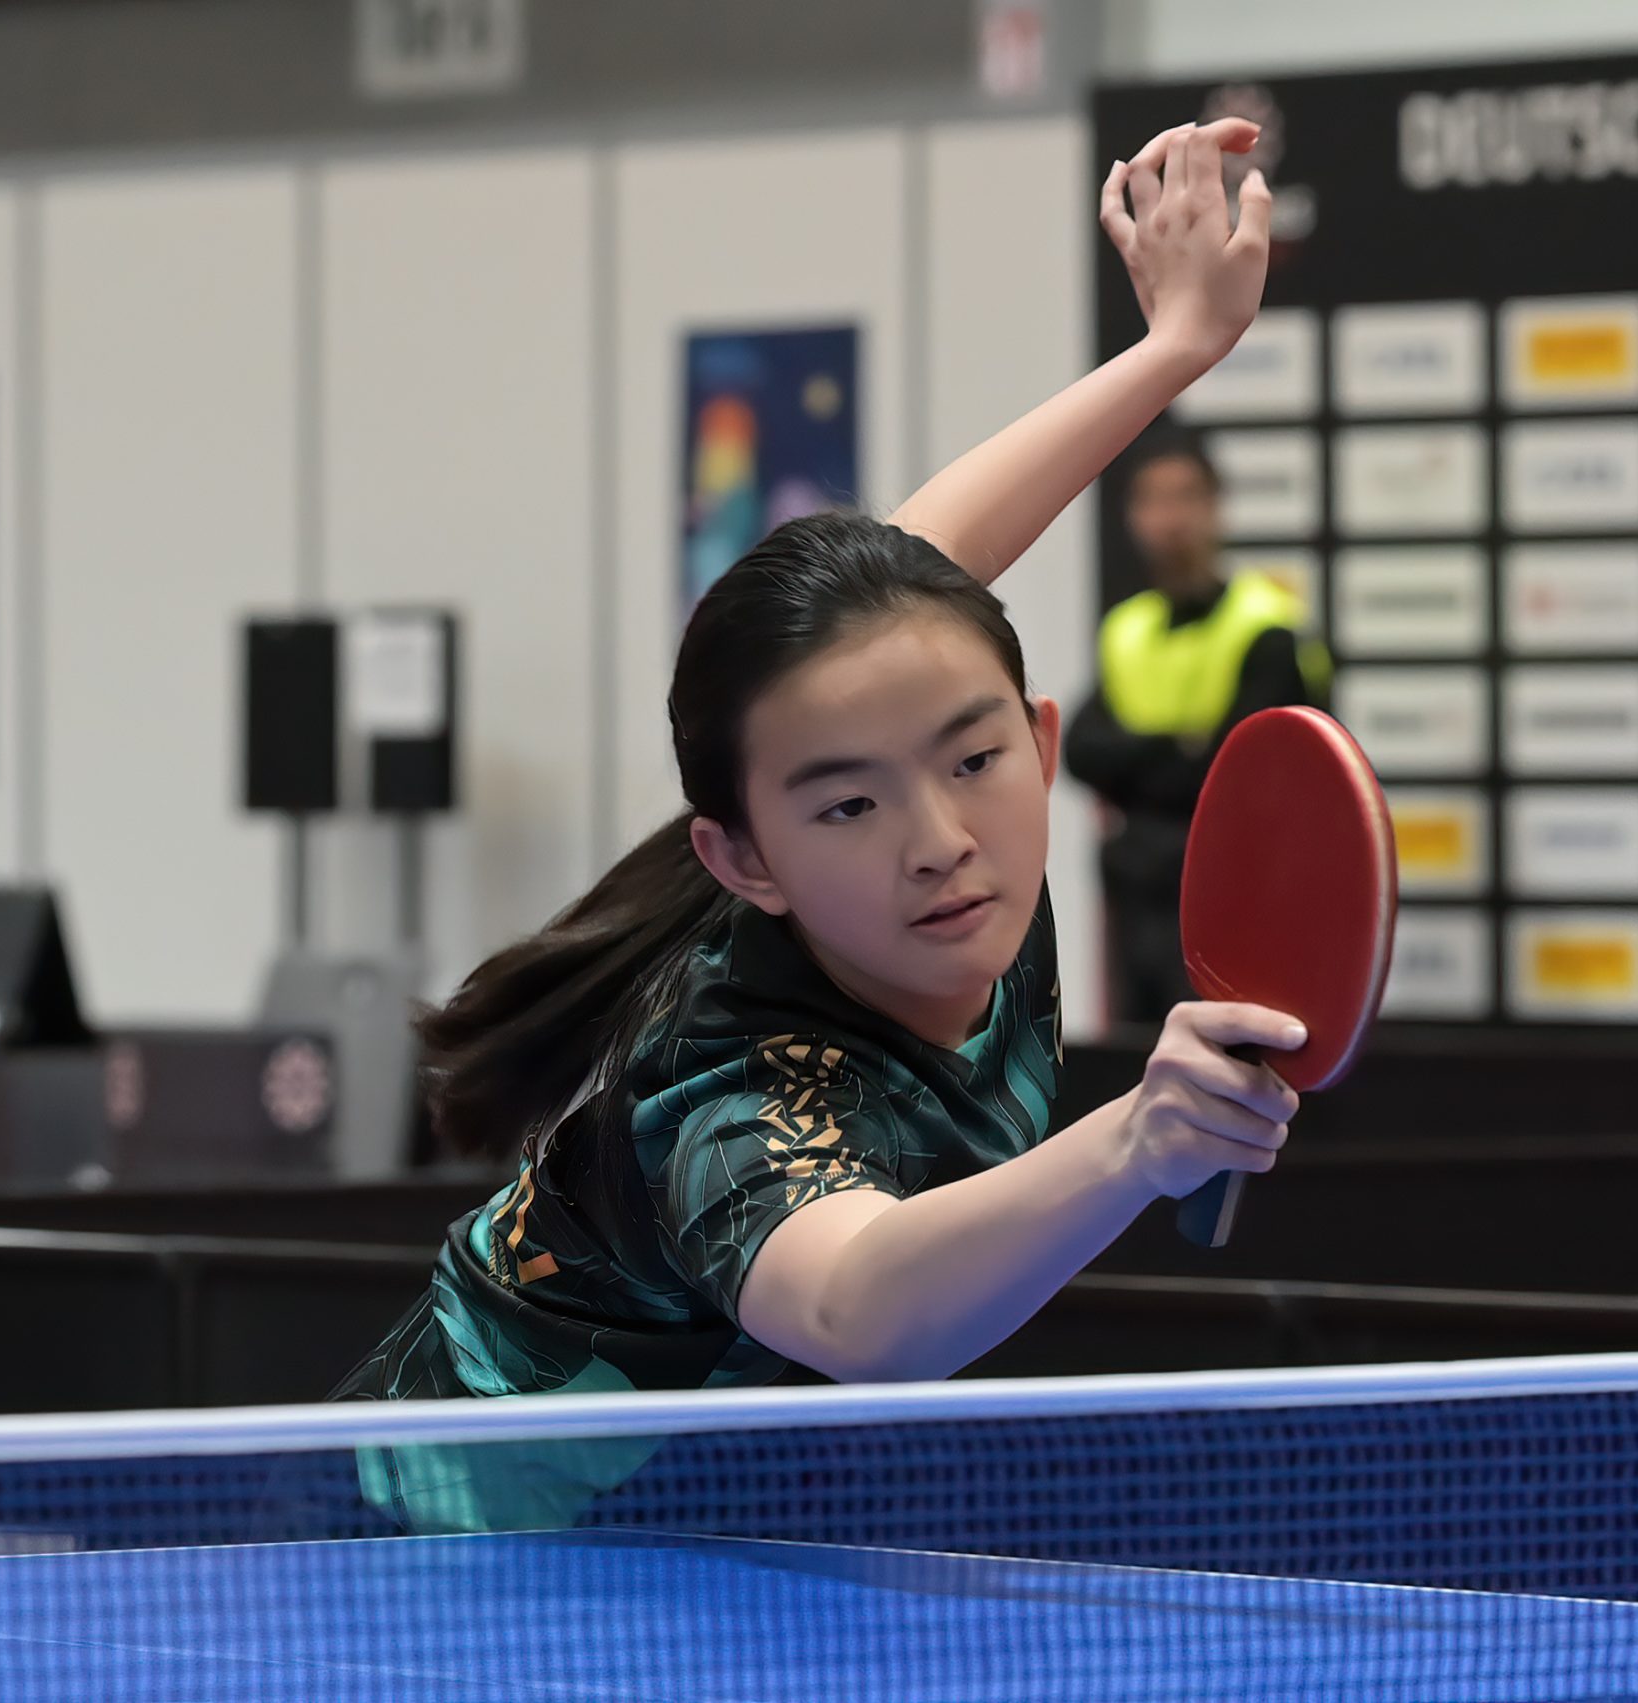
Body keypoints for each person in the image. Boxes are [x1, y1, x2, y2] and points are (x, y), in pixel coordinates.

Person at [338, 119, 1306, 1533]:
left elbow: (905, 580)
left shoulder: (952, 834)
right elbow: (857, 1302)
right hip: (448, 1558)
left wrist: (1174, 348)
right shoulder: (719, 1087)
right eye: (848, 801)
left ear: (1039, 743)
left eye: (974, 756)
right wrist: (1136, 1144)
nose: (938, 835)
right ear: (743, 857)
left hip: (703, 1538)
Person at [1065, 431, 1329, 1027]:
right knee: (1139, 1059)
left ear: (1215, 507)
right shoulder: (1125, 630)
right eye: (1153, 500)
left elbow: (1244, 778)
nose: (1170, 518)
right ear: (1133, 516)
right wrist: (1181, 749)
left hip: (1239, 896)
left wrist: (1143, 763)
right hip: (1139, 898)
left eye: (1185, 496)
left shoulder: (1268, 627)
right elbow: (1082, 751)